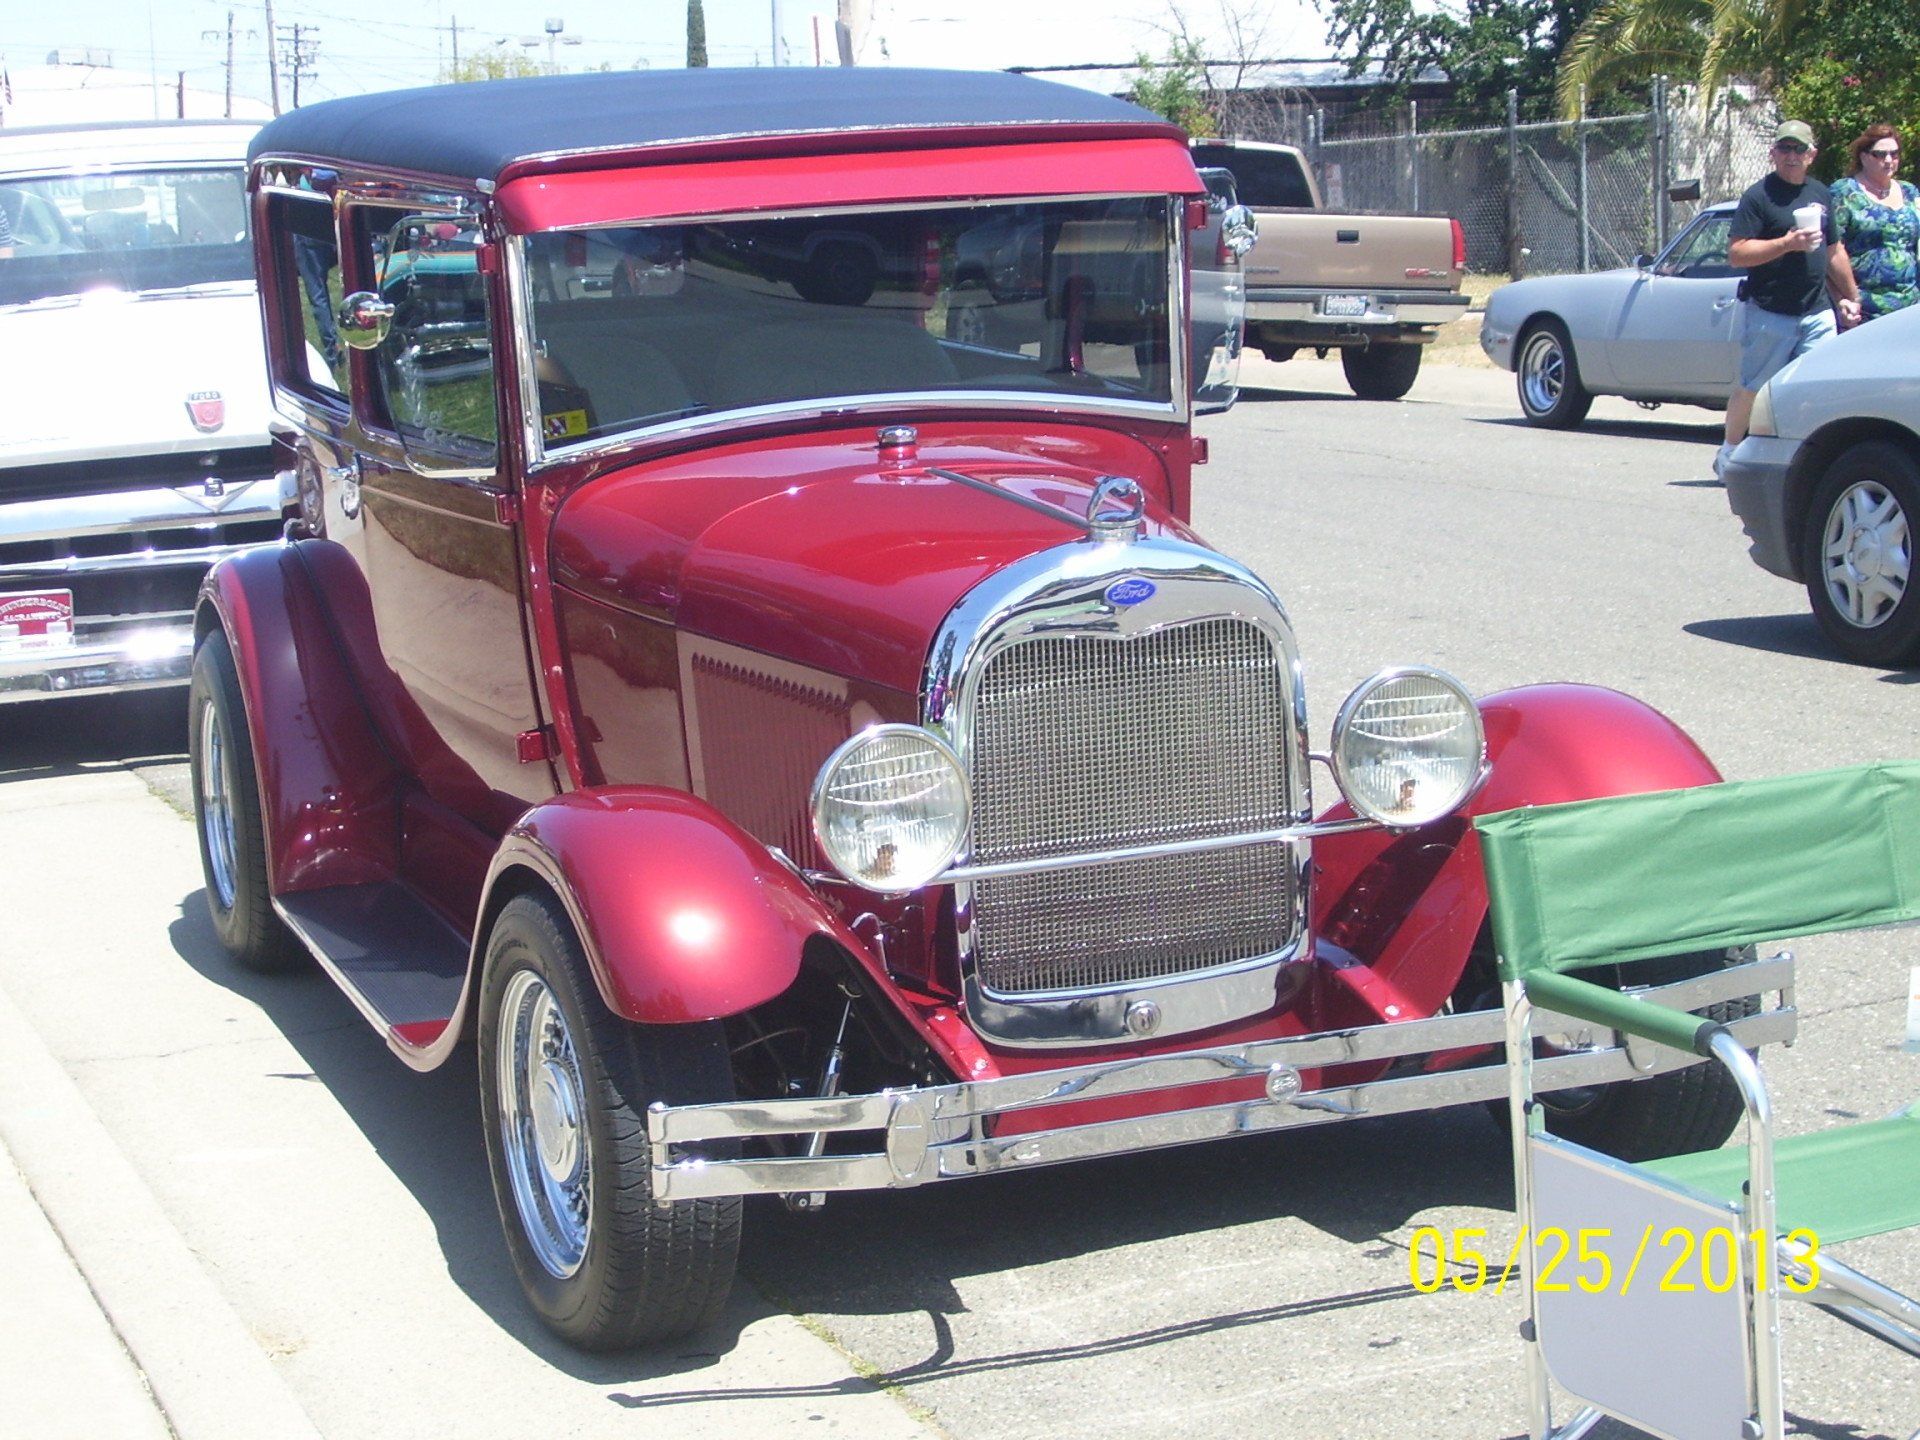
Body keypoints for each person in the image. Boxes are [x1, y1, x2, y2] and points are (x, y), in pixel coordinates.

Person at [1720, 121, 1862, 473]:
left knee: (1818, 388)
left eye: (1799, 150)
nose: (1792, 156)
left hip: (1816, 311)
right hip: (1771, 310)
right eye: (1785, 149)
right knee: (1754, 388)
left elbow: (1833, 251)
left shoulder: (1820, 194)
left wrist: (1851, 296)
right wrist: (1787, 243)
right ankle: (1728, 453)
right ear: (1773, 153)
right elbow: (1738, 253)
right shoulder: (1759, 196)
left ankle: (1808, 462)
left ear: (1812, 155)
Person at [1831, 123, 1920, 323]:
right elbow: (1832, 251)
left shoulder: (1909, 192)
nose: (1888, 160)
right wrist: (1844, 300)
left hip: (1910, 306)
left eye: (1894, 154)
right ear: (1863, 157)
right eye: (1879, 154)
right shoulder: (1844, 192)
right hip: (1863, 310)